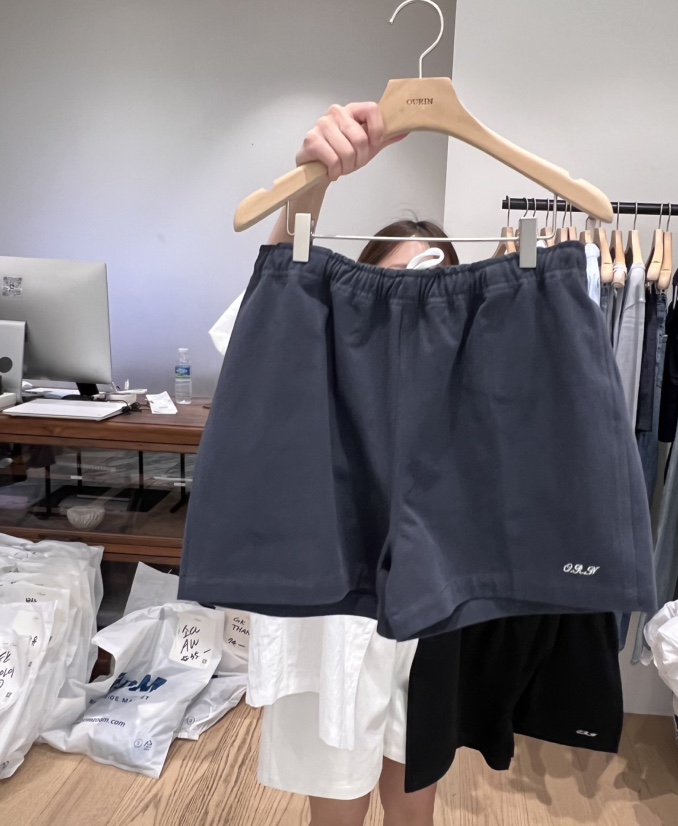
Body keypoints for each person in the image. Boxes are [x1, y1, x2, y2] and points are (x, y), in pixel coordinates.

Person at [217, 102, 456, 826]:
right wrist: (312, 182)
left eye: (433, 283)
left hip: (435, 618)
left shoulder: (469, 371)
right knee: (338, 809)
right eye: (395, 282)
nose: (411, 302)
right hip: (333, 621)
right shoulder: (321, 360)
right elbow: (272, 313)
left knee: (414, 804)